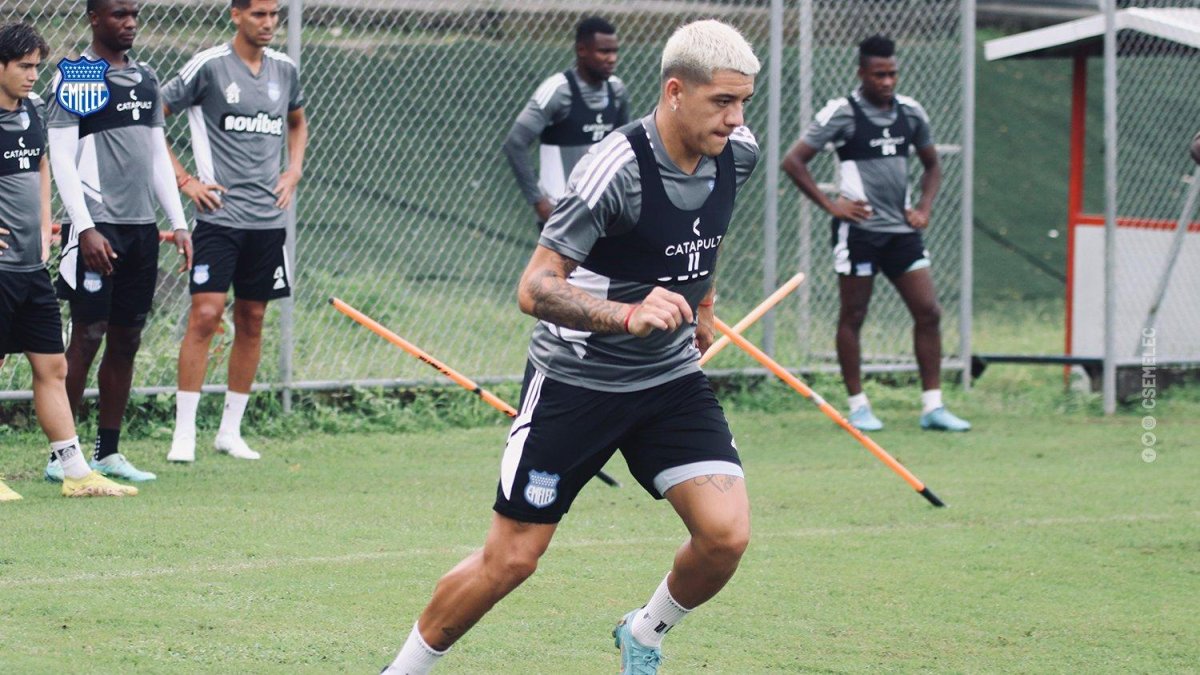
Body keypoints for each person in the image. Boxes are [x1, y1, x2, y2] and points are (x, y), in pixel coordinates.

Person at [383, 20, 760, 675]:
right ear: (675, 91)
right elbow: (535, 286)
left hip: (668, 381)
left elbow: (707, 230)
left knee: (726, 534)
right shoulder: (616, 168)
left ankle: (643, 632)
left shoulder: (738, 151)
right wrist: (626, 314)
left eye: (744, 101)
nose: (736, 118)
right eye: (722, 102)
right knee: (512, 559)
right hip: (577, 383)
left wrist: (703, 304)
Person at [781, 34, 970, 432]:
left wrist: (923, 208)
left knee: (929, 311)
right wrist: (832, 205)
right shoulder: (842, 112)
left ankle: (933, 407)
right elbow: (794, 161)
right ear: (862, 73)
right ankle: (859, 405)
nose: (887, 81)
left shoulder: (911, 113)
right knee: (853, 314)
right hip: (860, 233)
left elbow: (932, 166)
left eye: (893, 74)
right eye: (879, 74)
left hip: (902, 233)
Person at [43, 0, 191, 484]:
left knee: (127, 338)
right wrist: (83, 227)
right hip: (96, 227)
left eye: (134, 14)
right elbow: (62, 159)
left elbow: (155, 157)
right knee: (87, 334)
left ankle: (108, 452)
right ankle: (62, 455)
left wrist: (179, 223)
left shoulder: (146, 77)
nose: (128, 23)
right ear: (94, 18)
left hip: (141, 229)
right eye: (118, 15)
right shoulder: (79, 77)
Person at [160, 0, 307, 463]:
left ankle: (230, 431)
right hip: (218, 218)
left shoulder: (285, 70)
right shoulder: (207, 66)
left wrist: (294, 170)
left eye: (274, 15)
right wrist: (185, 180)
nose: (268, 23)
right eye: (259, 14)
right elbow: (150, 118)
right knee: (205, 315)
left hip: (267, 221)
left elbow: (297, 122)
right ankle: (183, 434)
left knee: (253, 319)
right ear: (236, 14)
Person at [0, 21, 138, 500]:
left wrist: (43, 220)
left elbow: (41, 164)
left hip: (28, 268)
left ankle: (76, 472)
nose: (33, 75)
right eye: (23, 66)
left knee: (53, 366)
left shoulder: (35, 111)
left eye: (37, 66)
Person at [502, 16, 630, 229]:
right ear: (581, 50)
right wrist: (539, 202)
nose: (612, 58)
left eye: (615, 51)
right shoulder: (557, 91)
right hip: (562, 215)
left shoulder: (617, 91)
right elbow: (515, 143)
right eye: (604, 51)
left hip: (603, 212)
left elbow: (623, 147)